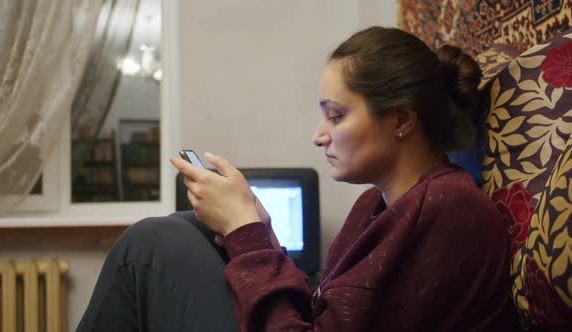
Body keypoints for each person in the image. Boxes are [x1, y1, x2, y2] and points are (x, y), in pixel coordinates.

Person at [77, 26, 519, 331]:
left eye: (336, 116)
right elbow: (323, 309)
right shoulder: (375, 205)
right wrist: (260, 232)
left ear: (401, 118)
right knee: (185, 227)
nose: (318, 136)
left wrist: (245, 232)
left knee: (151, 246)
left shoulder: (450, 208)